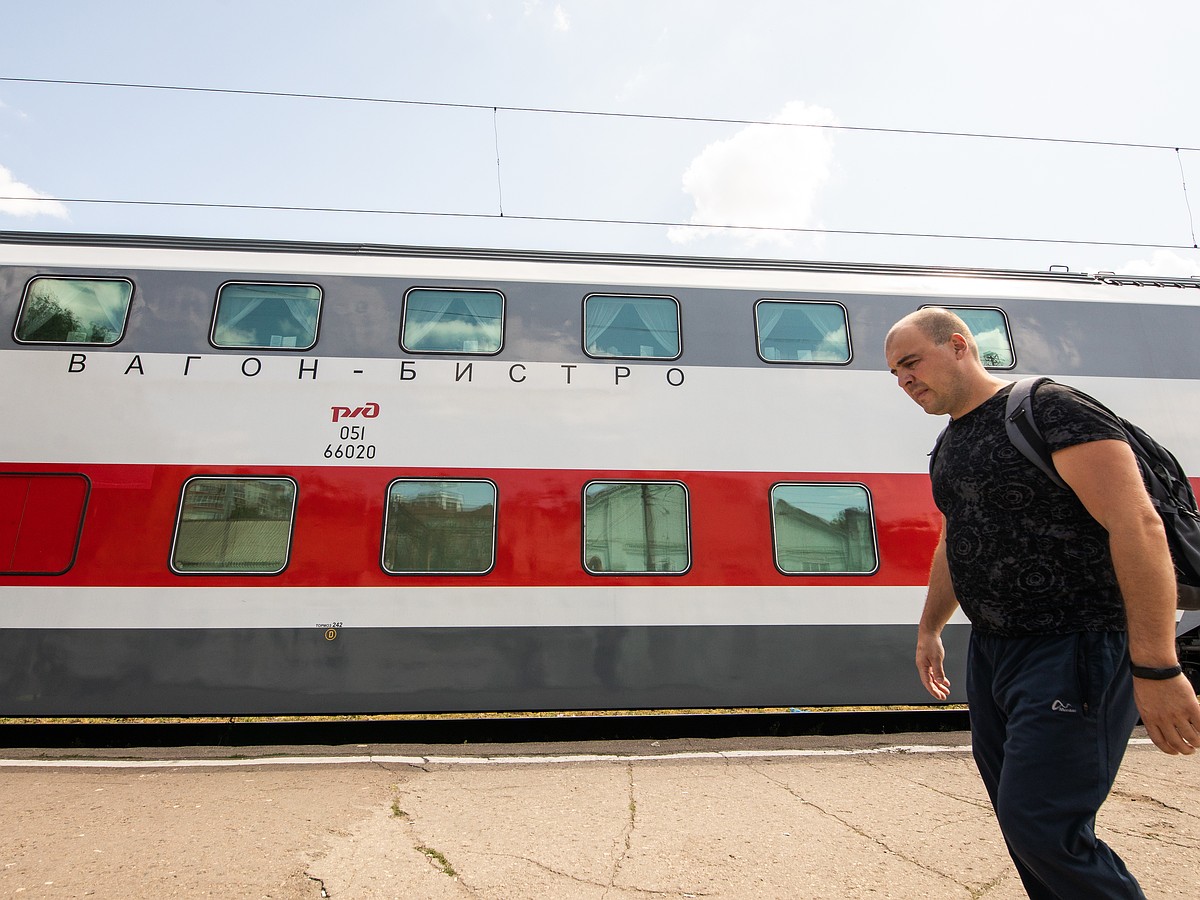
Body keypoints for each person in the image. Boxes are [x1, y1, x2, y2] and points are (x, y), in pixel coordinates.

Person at [884, 307, 1200, 899]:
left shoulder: (1050, 410)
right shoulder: (950, 444)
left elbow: (1137, 525)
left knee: (1043, 825)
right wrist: (931, 628)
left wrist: (1156, 665)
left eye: (911, 364)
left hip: (1076, 644)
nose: (905, 382)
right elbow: (957, 539)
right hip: (996, 652)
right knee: (1021, 823)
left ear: (958, 346)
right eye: (896, 376)